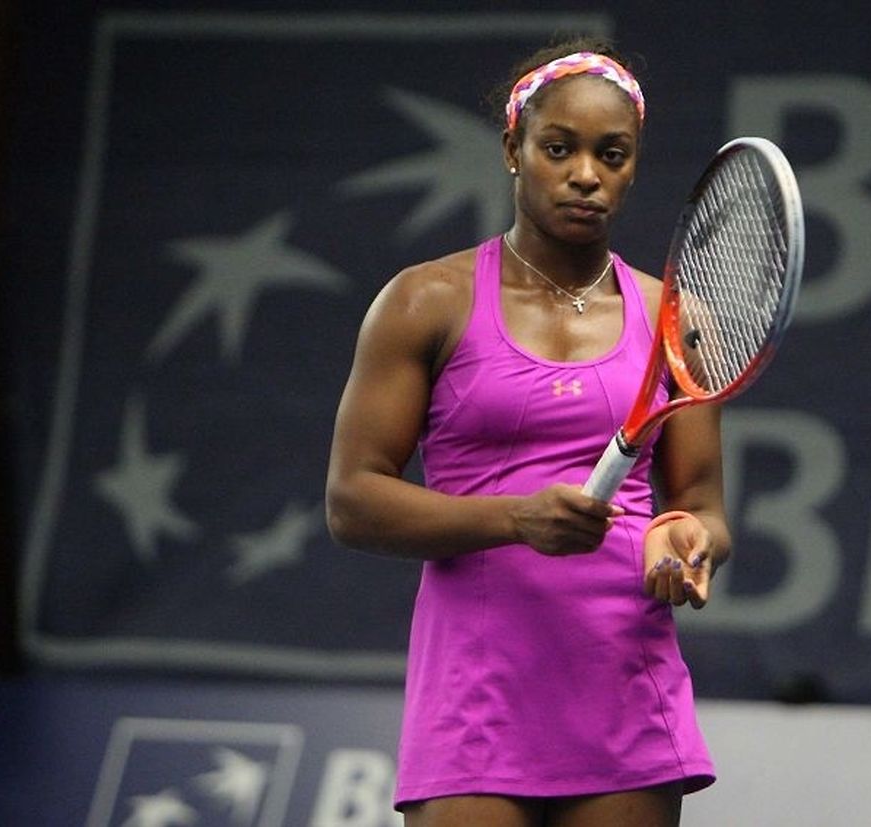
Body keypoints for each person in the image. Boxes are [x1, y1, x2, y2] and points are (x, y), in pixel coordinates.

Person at [326, 36, 731, 827]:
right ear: (514, 150)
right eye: (559, 148)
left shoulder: (675, 319)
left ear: (632, 166)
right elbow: (353, 502)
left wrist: (687, 539)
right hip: (474, 692)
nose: (585, 174)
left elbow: (703, 504)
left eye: (611, 155)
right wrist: (516, 518)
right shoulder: (423, 301)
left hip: (624, 681)